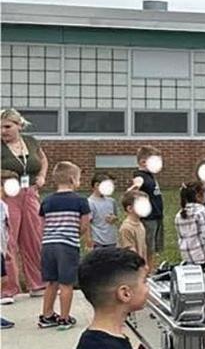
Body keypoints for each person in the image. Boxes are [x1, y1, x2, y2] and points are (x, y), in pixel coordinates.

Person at [38, 161, 92, 330]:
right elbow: (84, 225)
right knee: (66, 283)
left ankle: (47, 315)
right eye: (78, 178)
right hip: (67, 245)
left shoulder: (46, 201)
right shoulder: (81, 201)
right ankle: (64, 317)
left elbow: (42, 225)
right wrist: (76, 234)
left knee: (51, 282)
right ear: (72, 179)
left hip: (48, 245)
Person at [2, 107, 49, 299]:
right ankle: (7, 288)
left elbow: (43, 160)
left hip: (30, 193)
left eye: (7, 127)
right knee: (8, 240)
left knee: (33, 239)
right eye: (0, 128)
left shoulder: (31, 141)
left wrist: (42, 176)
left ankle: (37, 284)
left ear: (19, 125)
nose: (3, 131)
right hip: (6, 195)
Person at [175, 181, 205, 266]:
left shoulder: (179, 215)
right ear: (198, 196)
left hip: (187, 257)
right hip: (203, 259)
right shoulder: (202, 212)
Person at [132, 146, 165, 255]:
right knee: (147, 248)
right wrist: (136, 186)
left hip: (157, 216)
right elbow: (138, 182)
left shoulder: (150, 176)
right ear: (143, 162)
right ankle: (146, 265)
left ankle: (152, 264)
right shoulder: (140, 176)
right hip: (148, 218)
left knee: (154, 248)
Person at [118, 190, 152, 270]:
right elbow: (130, 252)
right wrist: (140, 267)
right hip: (130, 269)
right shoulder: (126, 228)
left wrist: (145, 264)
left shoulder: (140, 224)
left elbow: (144, 247)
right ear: (130, 208)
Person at [87, 173, 119, 251]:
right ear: (97, 185)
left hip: (112, 240)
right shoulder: (90, 202)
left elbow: (116, 217)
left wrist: (114, 218)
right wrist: (89, 239)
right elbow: (87, 223)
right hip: (98, 241)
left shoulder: (111, 201)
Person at [0, 197, 12, 328]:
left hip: (1, 248)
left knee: (3, 280)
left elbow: (5, 228)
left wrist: (6, 249)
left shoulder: (3, 205)